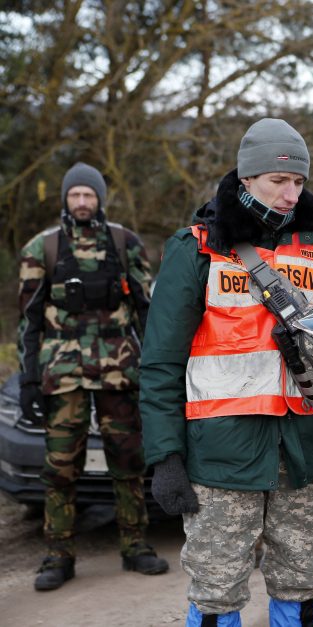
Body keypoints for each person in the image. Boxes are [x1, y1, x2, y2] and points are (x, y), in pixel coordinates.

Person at [139, 118, 313, 627]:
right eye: (276, 181)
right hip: (222, 454)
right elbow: (160, 365)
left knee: (304, 582)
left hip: (306, 449)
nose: (290, 194)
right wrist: (165, 456)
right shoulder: (196, 247)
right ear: (246, 179)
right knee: (217, 590)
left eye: (299, 182)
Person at [17, 161, 167, 591]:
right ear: (65, 199)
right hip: (62, 375)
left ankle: (135, 545)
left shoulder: (125, 243)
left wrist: (155, 368)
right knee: (60, 467)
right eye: (75, 195)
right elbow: (28, 321)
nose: (82, 202)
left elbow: (146, 311)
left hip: (120, 371)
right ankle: (58, 554)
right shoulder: (41, 249)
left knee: (128, 461)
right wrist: (29, 379)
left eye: (89, 194)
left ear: (100, 198)